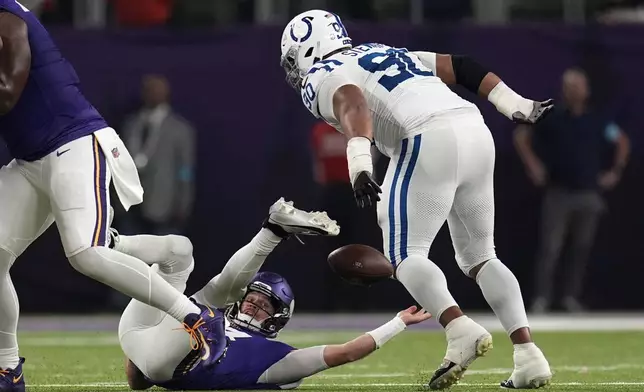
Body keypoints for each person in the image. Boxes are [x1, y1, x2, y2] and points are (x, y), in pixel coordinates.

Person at [280, 10, 553, 390]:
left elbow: (352, 103)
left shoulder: (320, 76)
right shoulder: (385, 50)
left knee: (404, 255)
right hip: (474, 128)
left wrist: (359, 164)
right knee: (481, 257)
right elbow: (461, 67)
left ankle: (460, 330)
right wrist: (513, 102)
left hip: (427, 136)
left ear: (307, 49)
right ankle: (528, 355)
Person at [0, 2, 223, 390]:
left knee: (86, 252)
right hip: (30, 158)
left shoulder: (7, 15)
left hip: (73, 142)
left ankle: (197, 317)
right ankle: (7, 370)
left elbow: (7, 91)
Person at [116, 198, 430, 390]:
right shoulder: (221, 312)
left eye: (265, 304)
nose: (254, 304)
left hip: (176, 364)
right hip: (137, 335)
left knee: (208, 302)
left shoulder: (279, 361)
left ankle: (274, 231)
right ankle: (111, 243)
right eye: (252, 298)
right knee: (179, 251)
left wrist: (399, 322)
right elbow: (137, 380)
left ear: (278, 319)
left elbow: (345, 352)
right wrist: (141, 360)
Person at [514, 67, 630, 313]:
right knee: (551, 248)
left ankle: (570, 297)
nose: (574, 91)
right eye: (569, 86)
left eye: (578, 86)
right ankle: (542, 298)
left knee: (581, 248)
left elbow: (621, 140)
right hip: (559, 191)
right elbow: (521, 133)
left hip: (589, 192)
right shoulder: (550, 114)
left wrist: (615, 171)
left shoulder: (597, 119)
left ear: (586, 90)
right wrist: (533, 164)